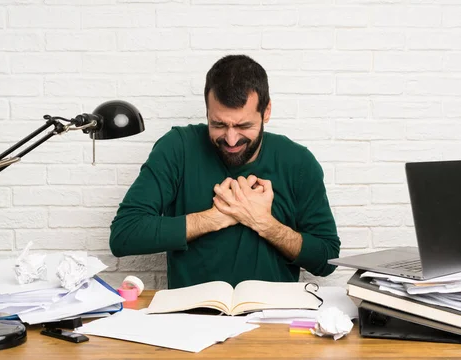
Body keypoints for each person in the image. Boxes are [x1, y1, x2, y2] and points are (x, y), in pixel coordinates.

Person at [110, 54, 340, 289]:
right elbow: (124, 235)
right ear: (208, 111)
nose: (231, 139)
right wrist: (215, 218)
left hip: (272, 318)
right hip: (190, 317)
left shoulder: (297, 162)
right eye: (219, 124)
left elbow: (327, 259)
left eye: (244, 125)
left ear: (266, 111)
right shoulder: (177, 148)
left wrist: (263, 222)